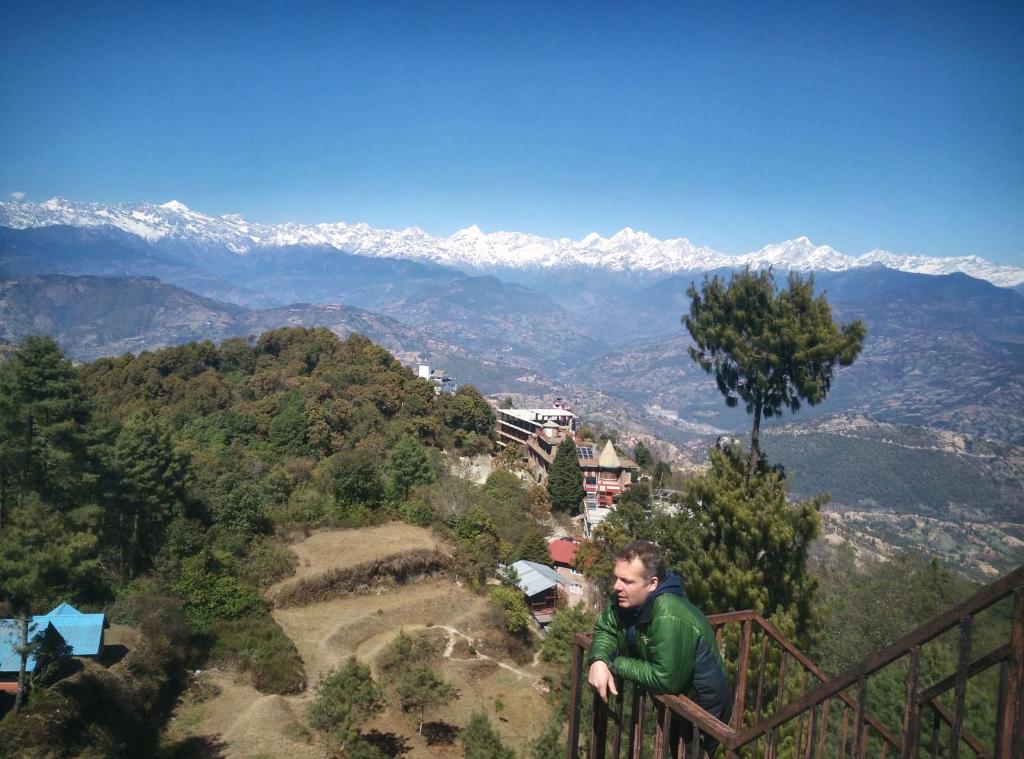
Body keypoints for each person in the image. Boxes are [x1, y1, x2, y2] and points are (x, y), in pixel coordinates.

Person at [588, 540, 732, 756]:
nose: (617, 586)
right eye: (617, 577)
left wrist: (615, 663)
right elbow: (606, 629)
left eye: (627, 581)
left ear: (652, 584)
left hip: (702, 707)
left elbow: (666, 679)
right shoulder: (622, 599)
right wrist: (598, 660)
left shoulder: (667, 613)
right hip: (677, 700)